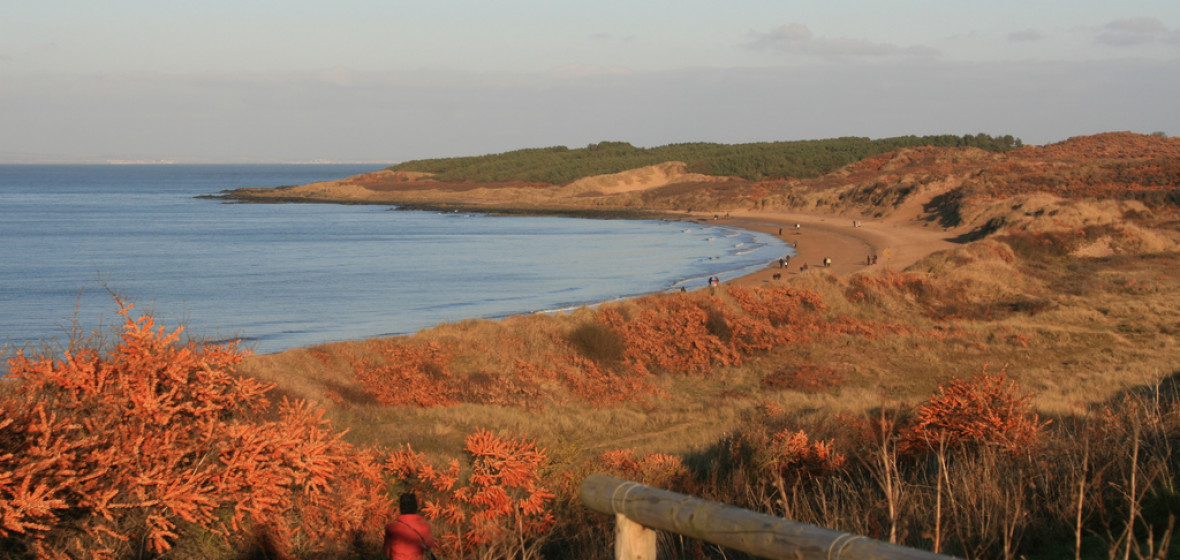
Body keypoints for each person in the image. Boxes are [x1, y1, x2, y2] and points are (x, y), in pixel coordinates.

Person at [385, 492, 435, 560]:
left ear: (400, 507)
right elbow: (430, 548)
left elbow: (387, 553)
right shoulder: (425, 526)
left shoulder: (391, 528)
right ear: (415, 507)